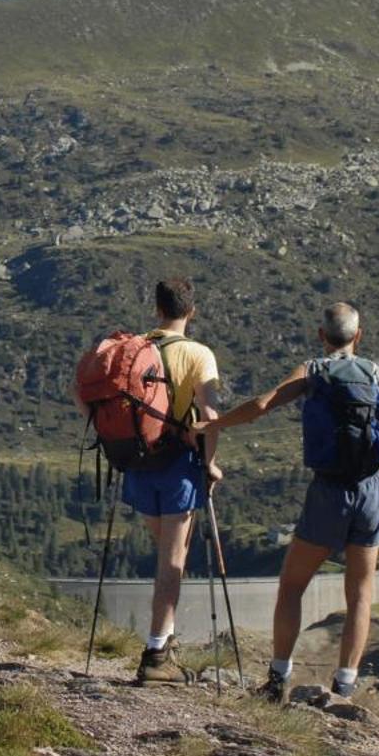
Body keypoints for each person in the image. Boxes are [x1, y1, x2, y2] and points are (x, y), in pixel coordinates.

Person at [204, 301, 379, 702]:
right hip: (371, 491)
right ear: (359, 335)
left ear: (321, 335)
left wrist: (213, 423)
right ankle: (345, 685)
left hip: (328, 491)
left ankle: (278, 678)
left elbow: (260, 406)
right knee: (359, 593)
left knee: (292, 586)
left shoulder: (312, 370)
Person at [123, 276, 224, 685]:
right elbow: (210, 418)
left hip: (137, 461)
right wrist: (210, 462)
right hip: (179, 465)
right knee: (173, 561)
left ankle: (163, 639)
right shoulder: (199, 354)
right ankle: (156, 656)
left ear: (157, 309)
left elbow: (86, 395)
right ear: (191, 311)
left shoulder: (133, 349)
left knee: (165, 553)